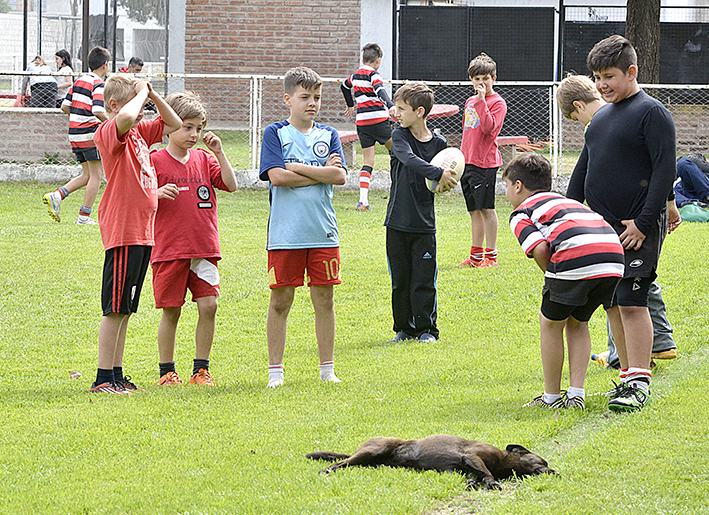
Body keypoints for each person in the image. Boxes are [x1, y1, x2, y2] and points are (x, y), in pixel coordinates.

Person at [566, 36, 677, 411]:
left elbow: (664, 171)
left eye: (609, 76)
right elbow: (584, 170)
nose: (601, 85)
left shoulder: (652, 113)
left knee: (631, 299)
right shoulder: (600, 118)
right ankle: (627, 374)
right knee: (612, 301)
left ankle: (639, 382)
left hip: (636, 226)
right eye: (596, 77)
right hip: (601, 227)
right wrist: (565, 217)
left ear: (631, 72)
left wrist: (644, 223)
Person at [504, 153, 624, 410]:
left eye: (506, 186)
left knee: (550, 323)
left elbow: (540, 249)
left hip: (577, 255)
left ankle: (551, 397)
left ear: (518, 186)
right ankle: (576, 393)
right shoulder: (565, 201)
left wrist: (554, 277)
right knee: (578, 322)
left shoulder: (521, 211)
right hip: (613, 255)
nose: (506, 194)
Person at [89, 74, 182, 393]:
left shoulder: (141, 133)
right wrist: (139, 96)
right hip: (124, 230)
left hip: (142, 232)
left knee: (126, 308)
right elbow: (127, 116)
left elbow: (174, 122)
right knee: (114, 308)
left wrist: (152, 96)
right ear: (114, 105)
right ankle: (103, 377)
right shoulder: (107, 132)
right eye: (135, 100)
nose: (140, 108)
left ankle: (116, 373)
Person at [259, 66, 347, 388]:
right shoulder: (275, 134)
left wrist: (296, 167)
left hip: (323, 231)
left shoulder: (329, 135)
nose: (313, 103)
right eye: (305, 97)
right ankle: (275, 374)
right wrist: (316, 171)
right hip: (285, 234)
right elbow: (277, 177)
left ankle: (327, 371)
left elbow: (339, 176)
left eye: (317, 97)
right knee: (280, 301)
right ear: (288, 99)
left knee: (325, 300)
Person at [151, 92, 237, 387]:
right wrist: (155, 194)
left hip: (204, 248)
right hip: (169, 249)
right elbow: (136, 196)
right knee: (171, 310)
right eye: (187, 127)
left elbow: (231, 185)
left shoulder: (203, 158)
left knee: (209, 305)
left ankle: (201, 370)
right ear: (169, 124)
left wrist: (219, 153)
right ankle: (167, 372)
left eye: (198, 128)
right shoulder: (155, 161)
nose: (194, 134)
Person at [384, 82, 458, 343]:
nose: (396, 112)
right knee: (400, 281)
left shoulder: (440, 143)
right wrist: (439, 173)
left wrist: (447, 181)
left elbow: (446, 179)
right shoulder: (400, 136)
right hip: (397, 221)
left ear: (420, 111)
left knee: (424, 280)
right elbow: (408, 159)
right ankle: (404, 329)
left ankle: (427, 330)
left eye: (402, 108)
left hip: (424, 224)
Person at [43, 46, 110, 225]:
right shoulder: (98, 84)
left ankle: (56, 195)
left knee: (87, 174)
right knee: (97, 175)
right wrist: (111, 122)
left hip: (74, 134)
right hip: (89, 133)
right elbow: (97, 109)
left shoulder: (79, 81)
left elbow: (65, 107)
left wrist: (77, 117)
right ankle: (84, 217)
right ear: (105, 65)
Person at [457, 53, 507, 268]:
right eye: (477, 79)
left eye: (486, 78)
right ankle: (476, 256)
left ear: (493, 79)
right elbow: (468, 131)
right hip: (466, 162)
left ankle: (491, 256)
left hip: (485, 163)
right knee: (473, 211)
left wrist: (481, 102)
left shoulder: (497, 103)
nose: (481, 83)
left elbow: (489, 128)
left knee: (487, 209)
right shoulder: (469, 101)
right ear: (471, 80)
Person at [341, 43, 396, 211]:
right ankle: (398, 192)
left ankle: (363, 201)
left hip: (362, 123)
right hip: (379, 120)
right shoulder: (373, 74)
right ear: (378, 60)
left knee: (368, 162)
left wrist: (351, 104)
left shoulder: (355, 75)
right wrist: (391, 105)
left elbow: (344, 86)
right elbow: (380, 90)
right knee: (397, 153)